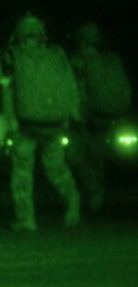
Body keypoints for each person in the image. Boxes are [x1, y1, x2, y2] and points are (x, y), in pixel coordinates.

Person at [0, 13, 81, 231]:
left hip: (24, 126)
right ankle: (73, 202)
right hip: (54, 123)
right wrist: (70, 115)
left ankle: (26, 220)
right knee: (57, 169)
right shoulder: (56, 55)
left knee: (22, 174)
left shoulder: (11, 56)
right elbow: (70, 85)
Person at [67, 22, 131, 213]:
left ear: (82, 40)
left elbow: (76, 89)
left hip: (83, 116)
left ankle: (94, 190)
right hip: (103, 115)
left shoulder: (78, 60)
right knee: (97, 158)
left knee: (75, 157)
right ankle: (95, 200)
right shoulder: (108, 61)